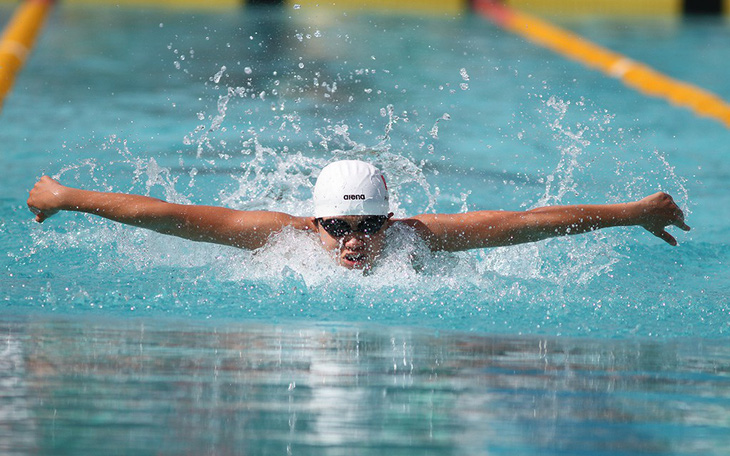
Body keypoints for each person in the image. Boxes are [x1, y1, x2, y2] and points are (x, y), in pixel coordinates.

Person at [27, 160, 690, 271]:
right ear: (313, 223)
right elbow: (168, 216)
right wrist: (65, 197)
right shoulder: (280, 238)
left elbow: (526, 223)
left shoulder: (416, 241)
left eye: (368, 227)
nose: (353, 243)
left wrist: (630, 213)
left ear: (391, 220)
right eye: (337, 228)